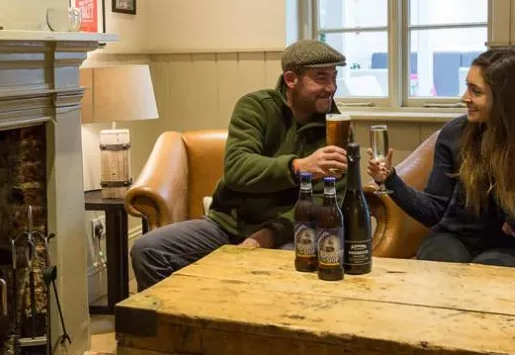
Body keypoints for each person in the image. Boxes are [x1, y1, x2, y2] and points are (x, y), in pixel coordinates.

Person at [129, 39, 350, 290]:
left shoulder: (336, 129)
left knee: (291, 273)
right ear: (291, 79)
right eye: (321, 78)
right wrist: (298, 167)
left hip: (291, 232)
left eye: (334, 77)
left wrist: (266, 236)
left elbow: (326, 199)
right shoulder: (255, 107)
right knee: (148, 250)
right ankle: (173, 326)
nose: (331, 87)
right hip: (228, 225)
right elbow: (237, 169)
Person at [366, 48, 515, 268]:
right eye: (467, 87)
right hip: (451, 236)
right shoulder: (454, 134)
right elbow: (433, 211)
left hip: (508, 246)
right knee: (441, 267)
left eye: (476, 91)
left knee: (493, 273)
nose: (464, 97)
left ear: (505, 97)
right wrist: (390, 180)